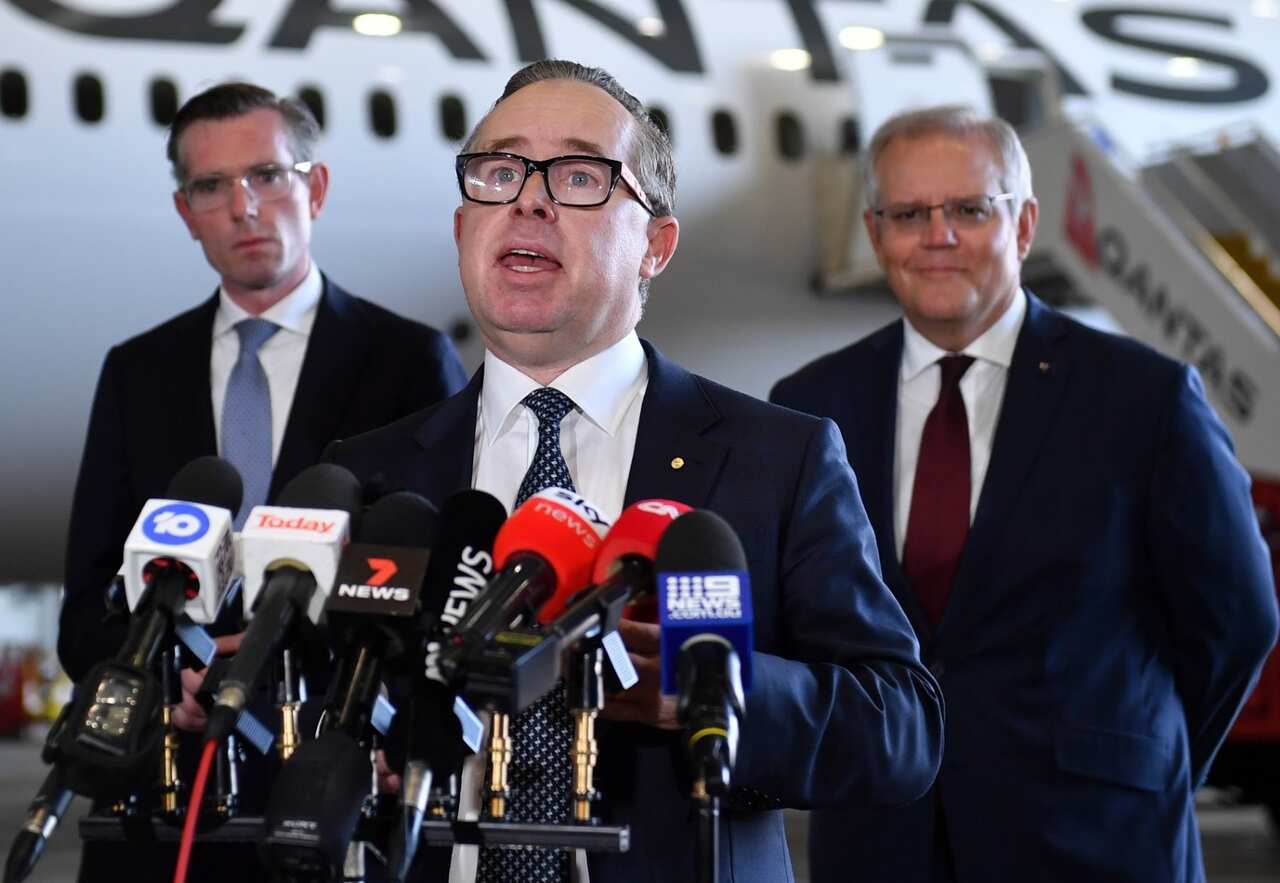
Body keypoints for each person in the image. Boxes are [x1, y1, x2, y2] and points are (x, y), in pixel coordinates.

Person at [325, 60, 944, 883]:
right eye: (499, 172)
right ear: (462, 227)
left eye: (580, 175)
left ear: (657, 244)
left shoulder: (775, 457)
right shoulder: (367, 478)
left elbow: (900, 728)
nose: (529, 199)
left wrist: (712, 693)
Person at [771, 104, 1278, 883]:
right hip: (882, 842)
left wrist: (1141, 759)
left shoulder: (1146, 398)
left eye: (970, 209)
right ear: (876, 236)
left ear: (1026, 222)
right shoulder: (812, 403)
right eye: (908, 213)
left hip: (1097, 838)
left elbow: (1238, 620)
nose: (937, 236)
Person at [58, 82, 467, 882]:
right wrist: (156, 679)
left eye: (267, 176)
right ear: (185, 212)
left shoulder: (407, 360)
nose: (243, 206)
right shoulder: (137, 372)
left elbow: (438, 595)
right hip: (167, 799)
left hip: (334, 791)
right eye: (212, 186)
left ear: (314, 187)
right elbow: (85, 605)